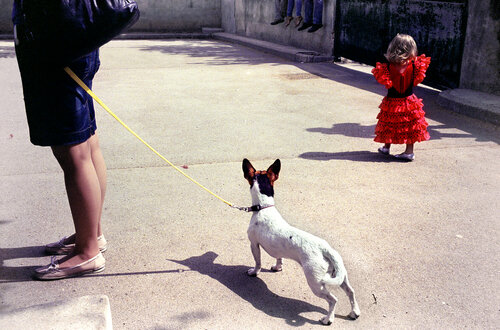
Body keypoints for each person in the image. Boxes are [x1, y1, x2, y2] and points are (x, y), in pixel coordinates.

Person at [13, 0, 108, 280]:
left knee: (73, 153)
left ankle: (88, 251)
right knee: (87, 143)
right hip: (76, 38)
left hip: (60, 44)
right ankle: (92, 235)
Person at [372, 34, 431, 161]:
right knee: (410, 125)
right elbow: (416, 81)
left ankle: (386, 147)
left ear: (393, 48)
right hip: (409, 101)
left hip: (392, 101)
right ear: (411, 49)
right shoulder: (416, 66)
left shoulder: (386, 68)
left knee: (389, 123)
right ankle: (409, 151)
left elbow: (383, 81)